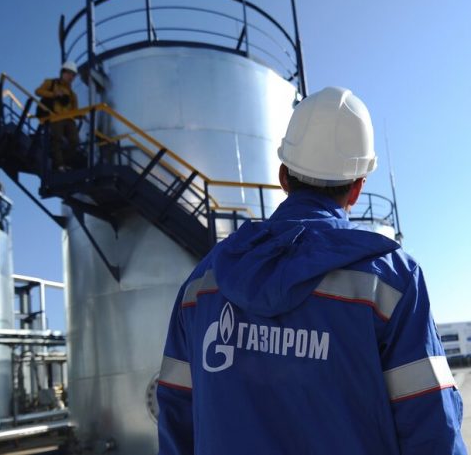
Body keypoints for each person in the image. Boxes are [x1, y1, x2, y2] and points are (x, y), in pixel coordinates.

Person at [157, 87, 466, 454]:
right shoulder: (391, 281)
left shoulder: (202, 284)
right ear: (357, 189)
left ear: (283, 176)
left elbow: (175, 415)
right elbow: (432, 425)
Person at [35, 61, 80, 171]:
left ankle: (66, 163)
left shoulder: (73, 94)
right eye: (69, 73)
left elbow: (76, 110)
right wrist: (54, 94)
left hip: (69, 118)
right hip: (55, 116)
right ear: (62, 73)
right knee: (57, 139)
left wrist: (82, 115)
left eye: (73, 75)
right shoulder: (51, 83)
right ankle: (59, 164)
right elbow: (38, 91)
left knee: (75, 141)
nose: (71, 77)